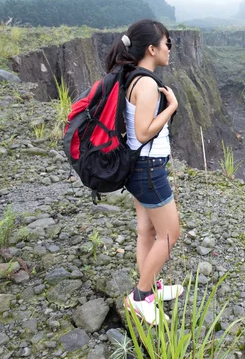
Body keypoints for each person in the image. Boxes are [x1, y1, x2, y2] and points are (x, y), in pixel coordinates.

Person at [105, 19, 183, 325]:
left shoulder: (132, 78)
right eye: (167, 43)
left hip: (139, 167)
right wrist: (171, 107)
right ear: (151, 49)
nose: (169, 49)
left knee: (147, 231)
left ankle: (149, 288)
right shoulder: (147, 83)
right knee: (170, 233)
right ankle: (140, 296)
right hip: (149, 169)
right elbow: (144, 131)